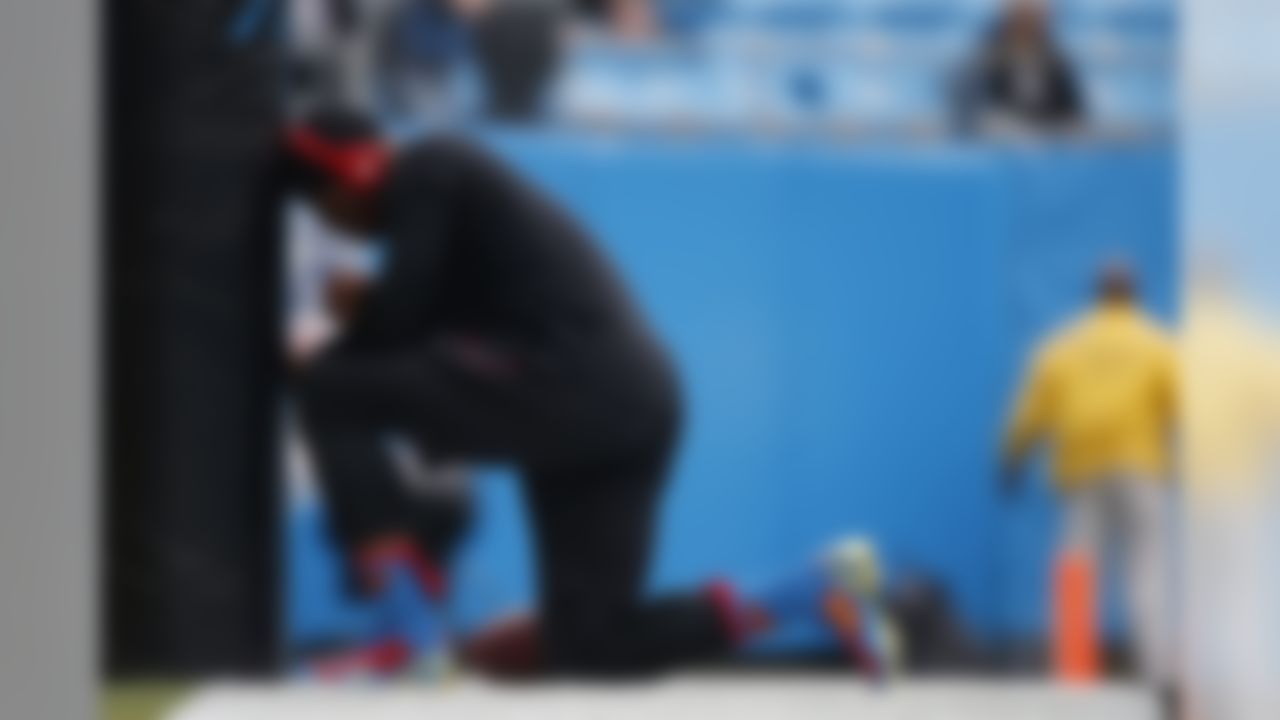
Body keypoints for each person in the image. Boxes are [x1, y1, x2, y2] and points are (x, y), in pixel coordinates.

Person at [282, 107, 889, 679]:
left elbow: (396, 324)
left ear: (346, 180)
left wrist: (346, 322)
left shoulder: (427, 165)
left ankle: (405, 630)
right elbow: (420, 329)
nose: (328, 220)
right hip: (632, 407)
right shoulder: (444, 201)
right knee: (591, 643)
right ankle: (810, 591)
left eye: (318, 202)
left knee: (330, 390)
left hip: (573, 384)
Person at [1002, 262, 1177, 697]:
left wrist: (1013, 456)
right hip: (1140, 467)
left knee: (1077, 567)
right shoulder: (1157, 343)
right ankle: (1152, 666)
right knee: (1145, 566)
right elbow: (1180, 407)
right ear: (1136, 293)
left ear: (1094, 293)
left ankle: (1075, 670)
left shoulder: (1064, 345)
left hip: (1081, 469)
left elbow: (1033, 408)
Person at [955, 0, 1085, 135]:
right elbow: (973, 114)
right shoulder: (984, 55)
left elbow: (1072, 112)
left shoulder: (1056, 59)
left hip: (1047, 138)